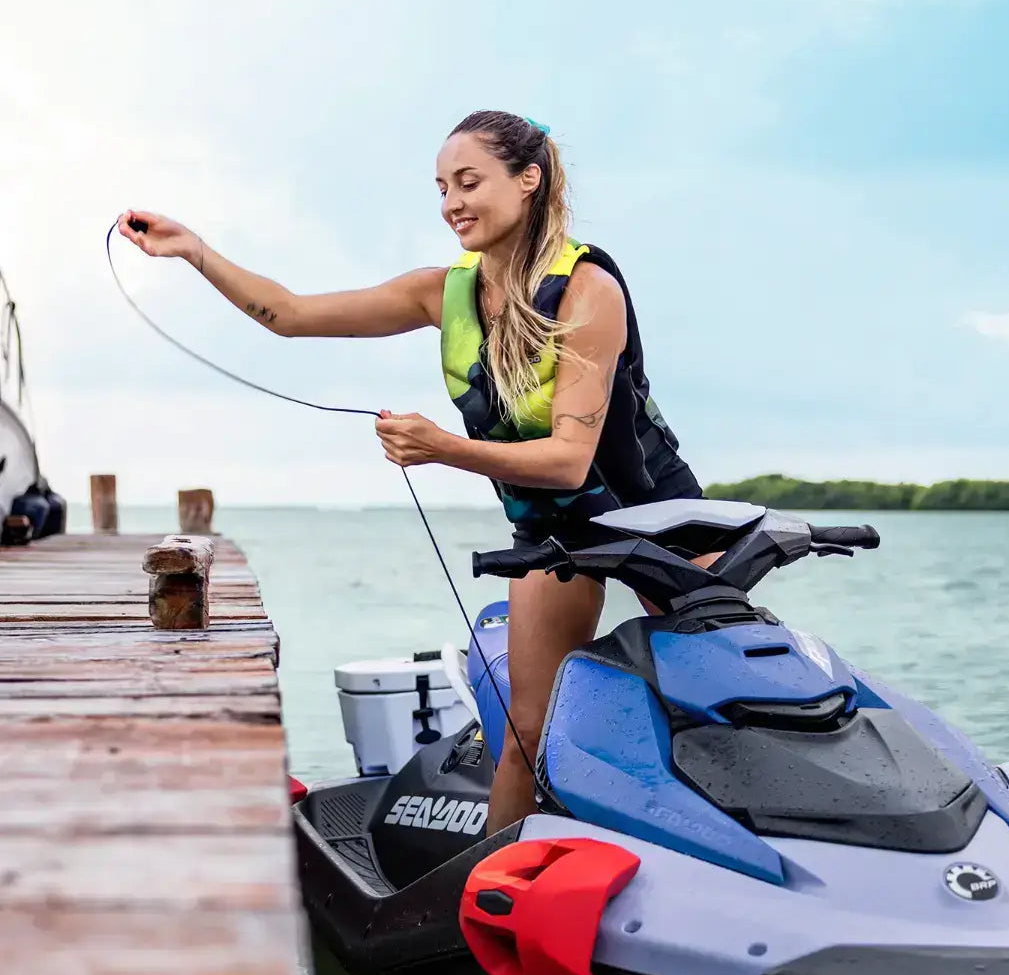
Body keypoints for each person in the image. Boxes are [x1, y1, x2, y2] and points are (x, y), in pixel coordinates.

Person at [118, 108, 709, 833]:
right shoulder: (443, 291)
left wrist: (443, 448)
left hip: (656, 517)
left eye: (469, 182)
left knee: (726, 705)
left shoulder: (589, 290)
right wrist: (193, 250)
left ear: (529, 180)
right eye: (441, 188)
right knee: (526, 733)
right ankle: (483, 899)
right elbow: (290, 314)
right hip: (558, 529)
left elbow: (567, 458)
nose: (451, 203)